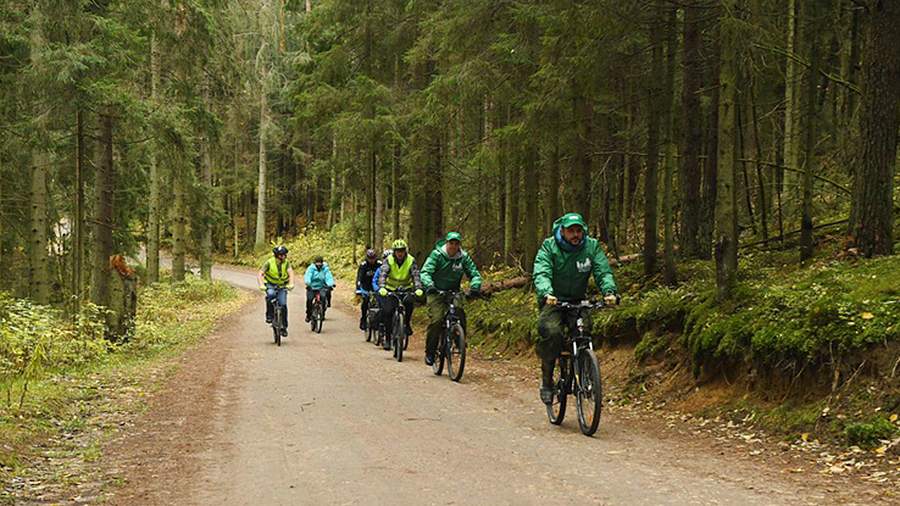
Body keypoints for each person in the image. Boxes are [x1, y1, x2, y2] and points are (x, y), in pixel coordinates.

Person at [533, 212, 619, 405]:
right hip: (554, 300)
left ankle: (587, 375)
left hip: (578, 301)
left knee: (585, 331)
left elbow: (602, 270)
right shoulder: (550, 246)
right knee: (552, 333)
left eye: (579, 230)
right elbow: (541, 271)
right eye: (571, 231)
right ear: (562, 231)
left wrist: (609, 291)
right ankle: (547, 381)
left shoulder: (591, 246)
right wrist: (547, 292)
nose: (575, 235)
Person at [420, 232, 482, 366]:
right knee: (436, 320)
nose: (453, 246)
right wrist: (429, 285)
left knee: (459, 312)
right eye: (451, 243)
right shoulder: (437, 255)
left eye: (456, 243)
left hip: (454, 291)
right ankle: (430, 352)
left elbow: (474, 273)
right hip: (436, 291)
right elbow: (425, 272)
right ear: (446, 243)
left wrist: (475, 286)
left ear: (459, 245)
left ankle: (460, 340)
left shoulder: (464, 258)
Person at [377, 240, 423, 350]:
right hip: (390, 289)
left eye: (402, 251)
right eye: (398, 251)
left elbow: (415, 275)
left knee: (409, 304)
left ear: (405, 251)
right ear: (394, 252)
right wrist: (382, 287)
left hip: (406, 288)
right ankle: (388, 339)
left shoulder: (411, 260)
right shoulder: (389, 260)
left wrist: (418, 288)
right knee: (388, 312)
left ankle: (406, 324)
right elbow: (383, 274)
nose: (400, 253)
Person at [257, 245, 295, 336]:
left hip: (282, 285)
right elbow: (260, 274)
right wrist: (261, 285)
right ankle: (269, 315)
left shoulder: (287, 263)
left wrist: (291, 283)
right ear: (277, 255)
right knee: (270, 294)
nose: (284, 256)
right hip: (270, 284)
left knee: (283, 304)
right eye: (282, 255)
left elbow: (291, 273)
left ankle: (284, 327)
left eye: (285, 255)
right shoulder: (269, 263)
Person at [355, 249, 381, 331]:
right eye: (370, 258)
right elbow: (359, 278)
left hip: (376, 286)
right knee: (365, 301)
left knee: (379, 302)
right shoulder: (363, 265)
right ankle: (363, 319)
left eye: (373, 258)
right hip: (365, 286)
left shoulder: (379, 264)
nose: (372, 260)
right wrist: (358, 289)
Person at [304, 255, 335, 322]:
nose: (319, 264)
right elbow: (308, 275)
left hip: (321, 286)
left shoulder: (325, 269)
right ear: (314, 263)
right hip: (311, 287)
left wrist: (330, 284)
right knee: (309, 299)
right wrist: (308, 283)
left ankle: (322, 313)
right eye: (317, 263)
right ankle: (308, 315)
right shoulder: (311, 269)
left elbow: (328, 276)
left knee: (323, 297)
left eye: (320, 263)